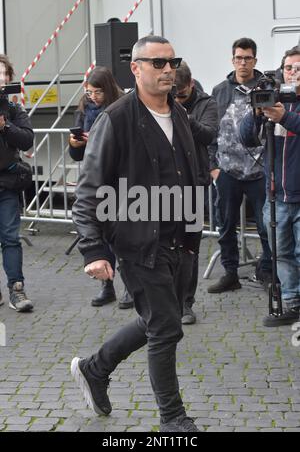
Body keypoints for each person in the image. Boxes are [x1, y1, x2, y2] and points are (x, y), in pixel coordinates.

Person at [71, 35, 201, 432]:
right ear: (136, 68)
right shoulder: (117, 118)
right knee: (165, 328)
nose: (167, 70)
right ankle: (173, 419)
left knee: (158, 319)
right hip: (138, 242)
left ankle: (95, 369)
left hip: (181, 239)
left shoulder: (178, 113)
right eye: (157, 63)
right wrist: (94, 250)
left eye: (171, 62)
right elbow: (88, 190)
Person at [240, 46, 300, 326]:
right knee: (281, 253)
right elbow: (248, 139)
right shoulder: (275, 101)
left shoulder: (286, 111)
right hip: (276, 196)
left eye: (299, 68)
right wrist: (256, 113)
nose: (294, 73)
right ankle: (292, 303)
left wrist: (284, 118)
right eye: (289, 68)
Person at [207, 37, 272, 294]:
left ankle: (268, 272)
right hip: (227, 171)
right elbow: (210, 131)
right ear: (232, 60)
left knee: (267, 226)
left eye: (247, 58)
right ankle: (230, 273)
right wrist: (213, 166)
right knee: (226, 225)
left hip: (260, 172)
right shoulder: (220, 90)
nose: (242, 62)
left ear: (255, 60)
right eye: (238, 58)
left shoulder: (266, 88)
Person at [69, 66, 134, 309]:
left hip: (120, 181)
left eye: (97, 92)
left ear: (107, 89)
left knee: (123, 234)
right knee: (102, 234)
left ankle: (129, 286)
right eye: (89, 92)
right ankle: (107, 285)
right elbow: (75, 155)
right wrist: (75, 142)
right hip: (95, 178)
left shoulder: (121, 107)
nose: (93, 97)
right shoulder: (84, 108)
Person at [175, 61, 218, 324]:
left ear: (191, 84)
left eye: (180, 93)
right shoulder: (160, 101)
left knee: (189, 246)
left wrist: (182, 115)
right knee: (165, 243)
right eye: (173, 93)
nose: (176, 97)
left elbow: (209, 135)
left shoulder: (206, 103)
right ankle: (164, 300)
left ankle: (185, 304)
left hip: (193, 183)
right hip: (164, 184)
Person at [0, 54, 34, 312]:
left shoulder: (12, 109)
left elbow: (26, 140)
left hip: (6, 184)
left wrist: (5, 127)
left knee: (11, 238)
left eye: (4, 74)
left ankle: (17, 290)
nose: (1, 78)